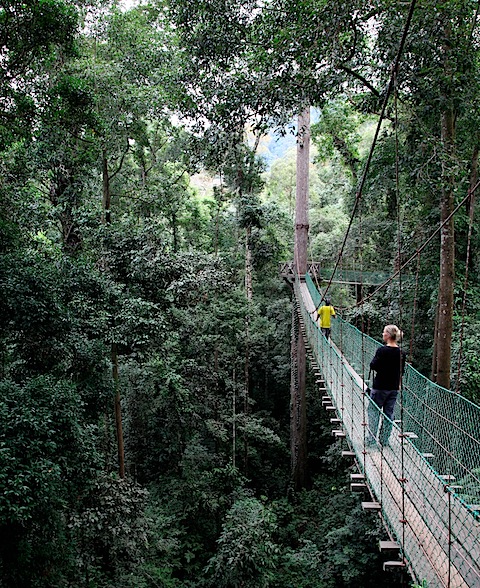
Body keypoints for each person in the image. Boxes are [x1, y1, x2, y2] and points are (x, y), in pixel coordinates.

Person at [367, 324, 406, 446]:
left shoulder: (382, 350)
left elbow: (373, 365)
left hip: (380, 387)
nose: (382, 334)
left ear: (388, 335)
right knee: (388, 414)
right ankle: (384, 440)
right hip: (393, 388)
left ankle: (371, 439)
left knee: (373, 411)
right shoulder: (401, 353)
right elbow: (402, 371)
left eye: (384, 332)